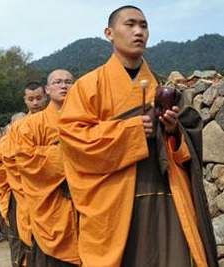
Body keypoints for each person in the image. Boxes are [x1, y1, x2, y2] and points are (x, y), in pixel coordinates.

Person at [58, 5, 217, 267]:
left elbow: (189, 137)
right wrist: (130, 132)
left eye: (143, 26)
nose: (138, 31)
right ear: (109, 33)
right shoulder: (88, 86)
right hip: (114, 200)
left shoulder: (163, 85)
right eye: (130, 24)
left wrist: (172, 130)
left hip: (167, 193)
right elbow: (73, 140)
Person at [15, 70, 80, 266]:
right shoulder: (31, 124)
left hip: (85, 199)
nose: (64, 85)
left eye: (69, 81)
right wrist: (69, 154)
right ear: (48, 89)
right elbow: (24, 159)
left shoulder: (87, 118)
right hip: (50, 201)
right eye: (58, 82)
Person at [1, 81, 47, 266]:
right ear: (25, 100)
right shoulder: (18, 128)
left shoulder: (58, 118)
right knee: (29, 233)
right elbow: (12, 160)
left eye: (38, 98)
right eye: (31, 99)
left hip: (55, 188)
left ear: (46, 96)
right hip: (25, 188)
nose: (35, 103)